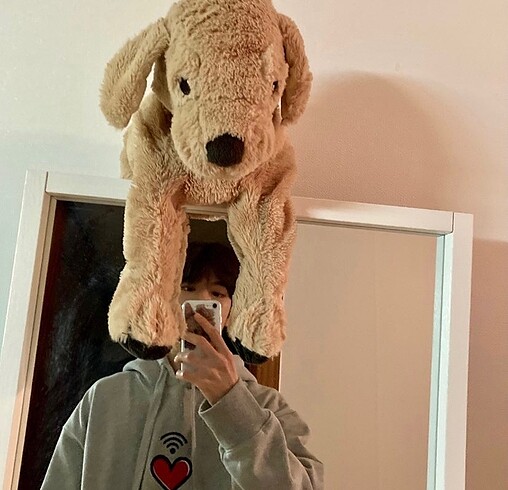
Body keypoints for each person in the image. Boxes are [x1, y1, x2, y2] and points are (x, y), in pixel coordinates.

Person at [42, 242, 324, 489]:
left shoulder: (267, 407)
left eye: (218, 293)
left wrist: (232, 401)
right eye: (188, 288)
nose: (202, 301)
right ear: (168, 298)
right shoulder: (104, 398)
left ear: (230, 310)